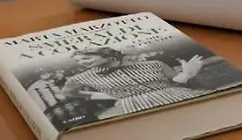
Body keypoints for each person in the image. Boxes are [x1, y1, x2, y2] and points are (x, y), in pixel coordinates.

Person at [60, 47, 207, 119]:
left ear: (107, 56)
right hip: (131, 106)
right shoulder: (80, 78)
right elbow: (68, 93)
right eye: (78, 61)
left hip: (173, 96)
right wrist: (104, 95)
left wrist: (187, 73)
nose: (82, 63)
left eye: (86, 58)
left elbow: (176, 80)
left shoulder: (153, 64)